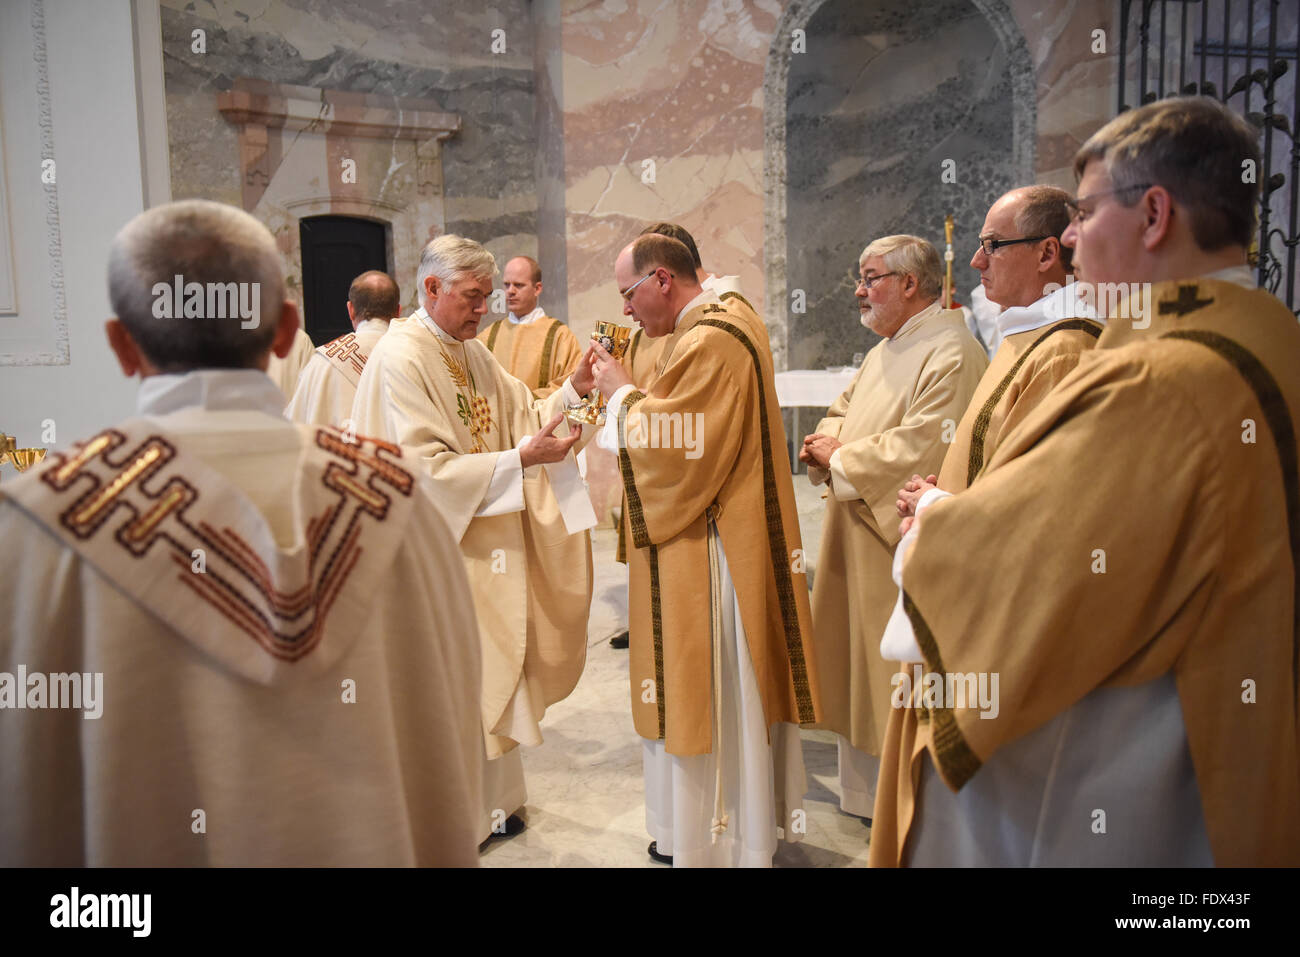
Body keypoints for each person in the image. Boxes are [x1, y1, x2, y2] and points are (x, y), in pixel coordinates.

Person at [872, 96, 1300, 866]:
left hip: (1128, 770)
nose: (1069, 239)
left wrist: (933, 518)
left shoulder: (1161, 377)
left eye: (1086, 214)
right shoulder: (1270, 339)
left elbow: (1036, 563)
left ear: (1154, 214)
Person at [0, 200, 484, 865]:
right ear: (288, 330)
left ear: (120, 343)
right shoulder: (400, 503)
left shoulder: (33, 530)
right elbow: (452, 734)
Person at [351, 234, 598, 846]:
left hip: (478, 548)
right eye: (472, 296)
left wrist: (574, 390)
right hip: (432, 556)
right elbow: (421, 471)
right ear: (431, 289)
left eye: (488, 297)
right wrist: (520, 458)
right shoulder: (402, 358)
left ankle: (498, 803)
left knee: (487, 667)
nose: (484, 309)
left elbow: (519, 408)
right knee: (454, 680)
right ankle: (452, 815)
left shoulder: (467, 351)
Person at [591, 233, 821, 867]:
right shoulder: (722, 319)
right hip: (723, 535)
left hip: (715, 550)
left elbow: (676, 447)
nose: (628, 312)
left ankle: (717, 840)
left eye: (629, 295)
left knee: (714, 695)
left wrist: (618, 393)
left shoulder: (711, 337)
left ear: (662, 280)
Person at [798, 235, 986, 820]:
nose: (858, 290)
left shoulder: (951, 351)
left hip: (895, 544)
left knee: (890, 675)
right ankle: (865, 795)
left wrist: (840, 457)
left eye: (870, 277)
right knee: (858, 671)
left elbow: (922, 448)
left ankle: (900, 800)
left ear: (909, 284)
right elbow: (841, 412)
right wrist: (825, 444)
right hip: (854, 532)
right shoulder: (888, 347)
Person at [925, 186, 1102, 499]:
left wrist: (935, 505)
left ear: (1047, 253)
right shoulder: (1030, 331)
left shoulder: (1066, 350)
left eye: (992, 244)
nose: (976, 261)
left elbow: (1036, 493)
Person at [284, 270, 400, 427]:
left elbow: (293, 428)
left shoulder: (321, 363)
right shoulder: (415, 354)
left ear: (350, 309)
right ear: (398, 311)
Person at [477, 256, 584, 399]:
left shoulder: (560, 335)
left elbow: (571, 386)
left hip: (541, 420)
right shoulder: (489, 335)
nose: (510, 291)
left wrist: (521, 404)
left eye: (519, 285)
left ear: (537, 288)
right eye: (507, 285)